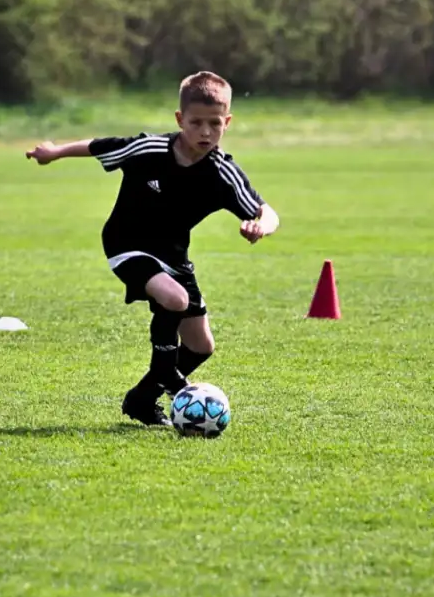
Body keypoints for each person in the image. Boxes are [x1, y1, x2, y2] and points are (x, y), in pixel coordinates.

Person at [25, 71, 280, 426]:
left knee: (201, 347)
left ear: (228, 122)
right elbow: (98, 145)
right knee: (174, 300)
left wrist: (260, 226)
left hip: (174, 257)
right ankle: (168, 375)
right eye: (196, 123)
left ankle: (141, 400)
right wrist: (54, 153)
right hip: (126, 244)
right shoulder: (149, 150)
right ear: (180, 120)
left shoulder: (222, 173)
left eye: (215, 124)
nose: (205, 132)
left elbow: (267, 212)